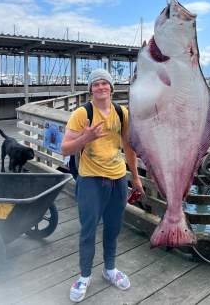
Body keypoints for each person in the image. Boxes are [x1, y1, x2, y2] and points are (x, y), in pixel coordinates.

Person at [61, 68, 143, 303]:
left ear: (111, 88)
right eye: (95, 84)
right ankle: (84, 276)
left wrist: (135, 177)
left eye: (104, 83)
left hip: (118, 179)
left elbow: (129, 148)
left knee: (113, 228)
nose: (100, 87)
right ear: (90, 89)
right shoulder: (82, 114)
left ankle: (110, 269)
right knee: (88, 230)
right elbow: (65, 148)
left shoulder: (122, 113)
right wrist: (84, 139)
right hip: (90, 180)